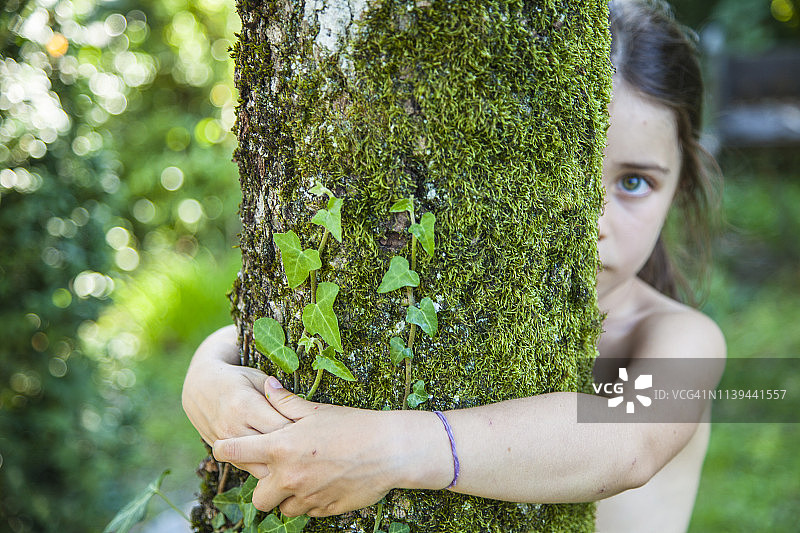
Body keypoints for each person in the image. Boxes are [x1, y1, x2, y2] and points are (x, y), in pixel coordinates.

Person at [182, 1, 725, 531]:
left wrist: (391, 448)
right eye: (557, 168)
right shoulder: (483, 299)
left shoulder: (683, 337)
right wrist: (208, 371)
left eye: (634, 182)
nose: (592, 219)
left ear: (682, 184)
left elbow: (627, 440)